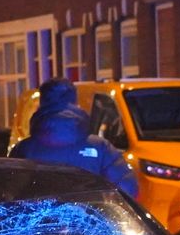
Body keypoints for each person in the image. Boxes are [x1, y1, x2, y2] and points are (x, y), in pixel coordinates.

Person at [10, 77, 138, 198]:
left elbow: (9, 190)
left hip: (38, 220)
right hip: (88, 218)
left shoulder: (23, 150)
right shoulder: (100, 148)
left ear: (42, 103)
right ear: (74, 102)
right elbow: (127, 188)